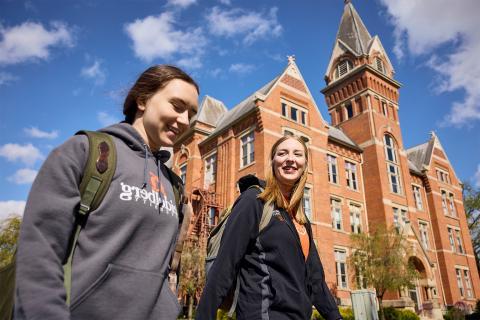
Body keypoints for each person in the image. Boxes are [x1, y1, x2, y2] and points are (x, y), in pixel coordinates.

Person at [14, 65, 199, 319]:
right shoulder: (86, 152)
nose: (185, 121)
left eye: (191, 113)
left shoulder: (173, 185)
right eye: (177, 106)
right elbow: (39, 255)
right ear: (143, 100)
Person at [195, 135, 342, 320]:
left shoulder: (301, 220)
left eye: (297, 154)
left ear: (305, 164)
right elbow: (224, 266)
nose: (290, 158)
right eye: (282, 153)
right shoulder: (254, 201)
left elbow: (316, 282)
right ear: (273, 162)